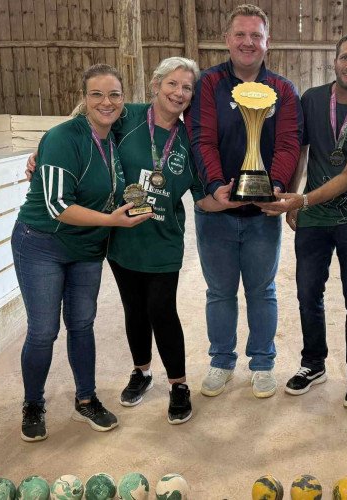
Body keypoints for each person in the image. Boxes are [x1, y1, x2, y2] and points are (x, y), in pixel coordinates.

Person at [14, 64, 152, 442]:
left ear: (123, 101)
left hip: (88, 246)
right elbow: (58, 205)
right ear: (84, 98)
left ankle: (86, 399)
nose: (106, 102)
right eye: (97, 94)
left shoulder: (113, 136)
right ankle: (32, 403)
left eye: (114, 95)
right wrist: (113, 221)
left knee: (82, 324)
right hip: (43, 242)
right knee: (43, 331)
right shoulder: (62, 137)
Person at [257, 33, 347, 408]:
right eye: (345, 57)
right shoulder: (312, 99)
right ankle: (313, 364)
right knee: (307, 293)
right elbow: (301, 150)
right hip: (313, 214)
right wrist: (295, 197)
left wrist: (302, 198)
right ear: (334, 60)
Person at [185, 3, 302, 399]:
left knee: (262, 290)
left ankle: (263, 363)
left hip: (261, 215)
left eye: (256, 36)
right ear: (227, 39)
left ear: (267, 42)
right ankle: (221, 360)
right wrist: (217, 187)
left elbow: (288, 144)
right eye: (241, 35)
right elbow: (201, 138)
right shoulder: (207, 84)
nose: (248, 42)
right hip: (217, 212)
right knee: (219, 291)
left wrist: (275, 188)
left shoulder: (284, 90)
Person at [106, 57, 226, 424]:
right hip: (124, 238)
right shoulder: (125, 118)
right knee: (134, 310)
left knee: (161, 310)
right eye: (172, 84)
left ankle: (179, 385)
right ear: (155, 84)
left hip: (164, 240)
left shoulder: (191, 138)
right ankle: (141, 372)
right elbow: (84, 131)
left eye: (186, 87)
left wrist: (225, 201)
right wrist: (42, 152)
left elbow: (200, 195)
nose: (178, 92)